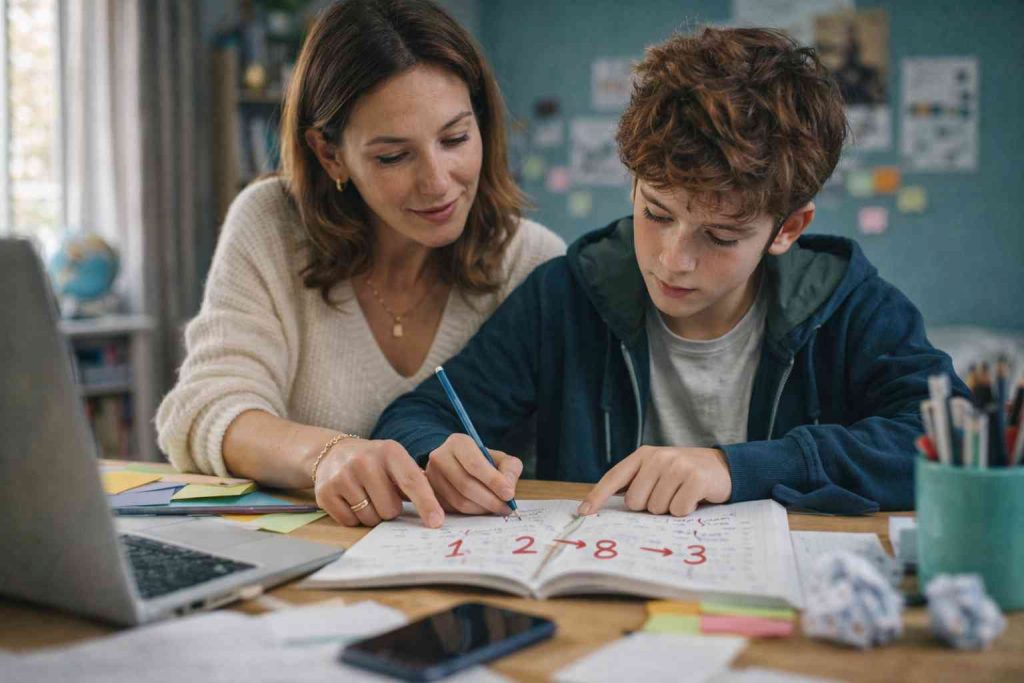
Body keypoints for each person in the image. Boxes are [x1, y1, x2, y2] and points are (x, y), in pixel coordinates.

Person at [372, 27, 969, 519]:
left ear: (787, 228)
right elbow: (411, 419)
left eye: (721, 235)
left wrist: (735, 467)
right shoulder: (565, 296)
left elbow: (955, 443)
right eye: (656, 213)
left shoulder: (849, 305)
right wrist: (437, 452)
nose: (671, 259)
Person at [155, 0, 564, 528]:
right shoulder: (270, 223)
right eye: (393, 156)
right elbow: (205, 410)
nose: (438, 182)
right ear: (330, 155)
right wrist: (325, 454)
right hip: (306, 565)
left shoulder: (534, 262)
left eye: (456, 138)